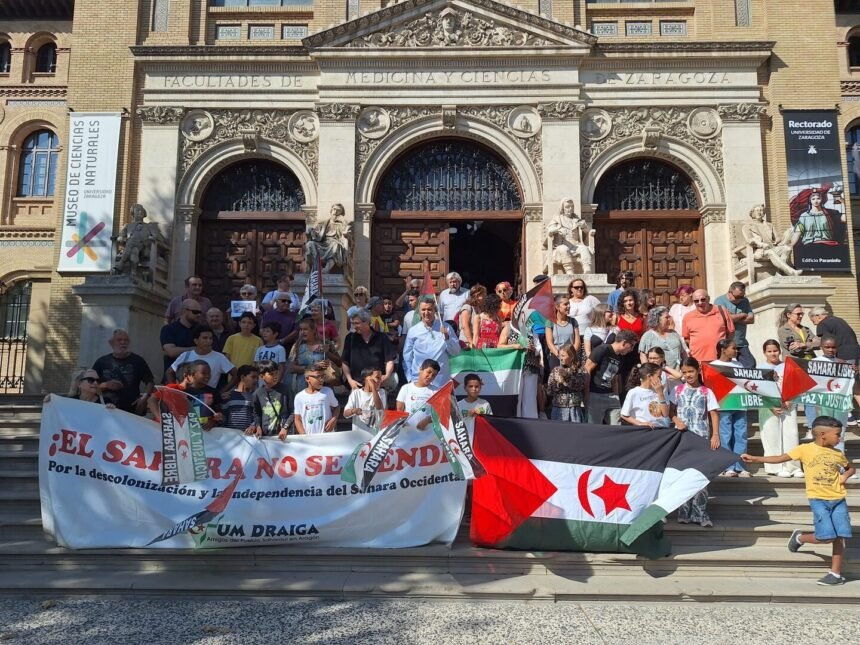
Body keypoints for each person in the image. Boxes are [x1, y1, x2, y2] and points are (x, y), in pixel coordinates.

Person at [742, 416, 855, 586]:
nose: (840, 438)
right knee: (826, 537)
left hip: (838, 499)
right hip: (819, 500)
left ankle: (835, 574)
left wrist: (845, 475)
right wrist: (757, 459)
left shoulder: (838, 453)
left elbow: (850, 468)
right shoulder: (805, 449)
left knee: (840, 536)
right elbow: (781, 458)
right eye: (838, 434)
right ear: (823, 434)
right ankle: (800, 538)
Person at [668, 357, 720, 527]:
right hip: (682, 439)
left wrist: (715, 435)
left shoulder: (706, 392)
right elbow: (670, 411)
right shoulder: (677, 390)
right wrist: (676, 421)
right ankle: (684, 512)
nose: (688, 375)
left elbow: (713, 413)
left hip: (701, 437)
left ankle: (700, 513)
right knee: (682, 475)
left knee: (700, 475)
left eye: (690, 371)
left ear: (698, 371)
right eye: (684, 372)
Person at [758, 339, 803, 478]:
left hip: (788, 404)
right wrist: (770, 406)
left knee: (791, 434)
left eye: (775, 351)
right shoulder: (760, 368)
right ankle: (775, 466)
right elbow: (757, 390)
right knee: (771, 436)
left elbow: (797, 384)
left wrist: (791, 399)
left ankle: (793, 466)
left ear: (780, 351)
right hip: (768, 406)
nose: (773, 354)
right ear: (764, 353)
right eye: (769, 351)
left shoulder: (788, 366)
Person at [402, 296, 461, 389]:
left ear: (435, 310)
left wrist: (447, 338)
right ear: (419, 311)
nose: (426, 313)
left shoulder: (446, 328)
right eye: (423, 309)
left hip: (441, 381)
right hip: (419, 382)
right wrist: (410, 378)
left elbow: (456, 352)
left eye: (429, 309)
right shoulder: (413, 331)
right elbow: (407, 357)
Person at [91, 329, 154, 414]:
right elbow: (90, 384)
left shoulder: (138, 361)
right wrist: (105, 385)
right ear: (111, 343)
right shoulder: (101, 362)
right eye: (119, 340)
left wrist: (145, 397)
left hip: (131, 410)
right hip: (106, 409)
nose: (123, 342)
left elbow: (150, 381)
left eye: (126, 340)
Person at [711, 338, 749, 477]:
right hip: (723, 405)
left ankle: (740, 465)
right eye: (733, 348)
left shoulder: (739, 364)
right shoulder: (713, 365)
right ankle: (727, 466)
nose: (736, 351)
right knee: (725, 435)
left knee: (741, 434)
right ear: (723, 350)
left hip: (740, 403)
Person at [585, 329, 638, 425]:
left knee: (616, 426)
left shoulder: (621, 357)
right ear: (624, 343)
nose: (632, 349)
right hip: (595, 394)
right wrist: (587, 393)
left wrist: (616, 396)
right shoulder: (603, 349)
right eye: (631, 345)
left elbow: (615, 378)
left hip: (611, 395)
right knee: (594, 426)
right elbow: (587, 369)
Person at [166, 325, 236, 392]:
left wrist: (221, 392)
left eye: (210, 338)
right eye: (205, 338)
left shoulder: (219, 357)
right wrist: (175, 390)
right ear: (196, 341)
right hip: (186, 396)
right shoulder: (186, 355)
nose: (209, 341)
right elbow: (169, 372)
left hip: (207, 399)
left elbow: (235, 374)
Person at [342, 306, 397, 390]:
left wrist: (386, 376)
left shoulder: (381, 338)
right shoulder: (350, 338)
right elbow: (345, 362)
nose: (354, 326)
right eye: (352, 323)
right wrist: (350, 380)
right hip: (357, 385)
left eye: (356, 323)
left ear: (367, 322)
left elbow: (389, 360)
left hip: (378, 385)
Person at [499, 317, 544, 418]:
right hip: (514, 367)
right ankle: (517, 420)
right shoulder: (508, 327)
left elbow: (538, 348)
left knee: (530, 397)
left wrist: (533, 347)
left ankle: (530, 421)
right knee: (516, 396)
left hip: (530, 366)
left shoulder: (529, 327)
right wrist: (516, 346)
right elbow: (500, 346)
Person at [286, 318, 342, 397]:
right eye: (301, 329)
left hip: (324, 388)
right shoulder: (297, 346)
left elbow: (339, 363)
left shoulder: (325, 343)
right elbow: (290, 368)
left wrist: (327, 353)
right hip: (303, 387)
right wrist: (310, 368)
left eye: (305, 329)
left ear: (314, 330)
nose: (302, 332)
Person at [682, 289, 734, 362]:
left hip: (720, 360)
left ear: (708, 299)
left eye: (703, 299)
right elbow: (687, 339)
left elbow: (730, 332)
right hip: (698, 361)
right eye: (696, 301)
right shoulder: (688, 317)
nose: (700, 303)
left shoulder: (721, 310)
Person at [714, 281, 755, 368]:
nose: (740, 299)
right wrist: (742, 315)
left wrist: (731, 317)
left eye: (742, 296)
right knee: (726, 368)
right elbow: (722, 319)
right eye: (737, 297)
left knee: (751, 365)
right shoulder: (719, 301)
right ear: (729, 292)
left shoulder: (745, 301)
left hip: (741, 343)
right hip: (725, 344)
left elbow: (751, 319)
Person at [247, 359, 292, 438]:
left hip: (283, 435)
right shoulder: (257, 393)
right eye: (271, 374)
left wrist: (285, 428)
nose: (275, 376)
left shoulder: (286, 390)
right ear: (261, 376)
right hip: (265, 436)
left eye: (276, 373)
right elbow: (256, 414)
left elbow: (294, 411)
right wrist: (258, 427)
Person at [293, 363, 339, 437]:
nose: (321, 379)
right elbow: (297, 419)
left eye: (323, 376)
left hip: (327, 437)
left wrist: (334, 419)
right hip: (309, 439)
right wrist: (304, 436)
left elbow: (336, 407)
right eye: (318, 377)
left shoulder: (328, 392)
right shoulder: (299, 397)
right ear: (307, 379)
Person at [620, 363, 671, 429]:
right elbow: (624, 415)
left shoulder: (660, 390)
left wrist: (660, 393)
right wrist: (640, 423)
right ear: (649, 376)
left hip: (660, 428)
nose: (661, 379)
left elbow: (665, 414)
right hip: (644, 430)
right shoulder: (634, 392)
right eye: (659, 376)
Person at [160, 299, 203, 375]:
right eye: (195, 312)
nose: (198, 315)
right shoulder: (169, 329)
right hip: (173, 376)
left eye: (200, 312)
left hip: (196, 378)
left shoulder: (201, 330)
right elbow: (171, 352)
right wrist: (195, 349)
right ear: (184, 311)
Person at [546, 343, 586, 422]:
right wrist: (557, 383)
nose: (561, 358)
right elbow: (549, 391)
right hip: (558, 408)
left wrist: (565, 379)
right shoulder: (556, 370)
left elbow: (580, 386)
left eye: (563, 356)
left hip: (574, 408)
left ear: (571, 357)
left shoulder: (580, 370)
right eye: (560, 355)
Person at [177, 360, 223, 430]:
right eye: (203, 373)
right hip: (188, 432)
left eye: (209, 373)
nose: (207, 376)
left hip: (208, 433)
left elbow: (219, 414)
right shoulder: (183, 392)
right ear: (192, 374)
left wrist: (213, 421)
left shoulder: (214, 392)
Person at [639, 306, 686, 373]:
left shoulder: (674, 333)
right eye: (666, 317)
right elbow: (643, 356)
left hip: (678, 374)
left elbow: (683, 353)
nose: (670, 319)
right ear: (657, 319)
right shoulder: (648, 335)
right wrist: (648, 373)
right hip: (659, 374)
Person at [396, 358, 439, 430]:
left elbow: (439, 413)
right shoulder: (406, 388)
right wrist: (402, 421)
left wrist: (427, 421)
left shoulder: (436, 391)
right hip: (408, 431)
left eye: (434, 375)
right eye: (428, 372)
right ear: (421, 369)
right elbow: (399, 409)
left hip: (427, 432)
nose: (430, 376)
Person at [344, 367, 386, 431]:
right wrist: (354, 411)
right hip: (359, 435)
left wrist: (373, 388)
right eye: (377, 377)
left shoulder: (381, 392)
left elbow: (379, 409)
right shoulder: (356, 393)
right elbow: (345, 414)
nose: (380, 380)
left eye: (381, 378)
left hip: (374, 435)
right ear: (367, 379)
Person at [545, 295, 581, 372]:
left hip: (571, 358)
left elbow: (577, 342)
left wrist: (570, 355)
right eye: (565, 304)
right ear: (557, 307)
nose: (569, 306)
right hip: (556, 357)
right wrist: (560, 356)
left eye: (569, 304)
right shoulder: (550, 322)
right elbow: (549, 343)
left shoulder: (573, 321)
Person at [222, 364, 259, 433]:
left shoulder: (255, 397)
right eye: (253, 377)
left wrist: (253, 425)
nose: (256, 380)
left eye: (257, 378)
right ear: (242, 377)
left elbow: (257, 417)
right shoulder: (228, 396)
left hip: (248, 438)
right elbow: (223, 418)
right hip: (230, 437)